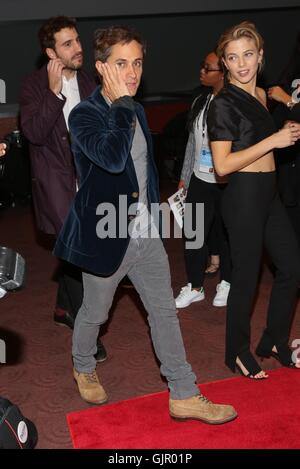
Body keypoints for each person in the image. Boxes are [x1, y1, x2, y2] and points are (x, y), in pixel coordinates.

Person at [54, 25, 237, 424]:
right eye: (121, 64)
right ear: (101, 68)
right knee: (95, 312)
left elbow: (144, 172)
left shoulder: (135, 109)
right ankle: (83, 364)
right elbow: (114, 158)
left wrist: (153, 215)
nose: (132, 73)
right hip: (106, 233)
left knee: (163, 312)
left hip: (144, 231)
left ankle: (184, 392)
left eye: (137, 63)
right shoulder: (85, 115)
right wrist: (120, 105)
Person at [207, 21, 300, 379]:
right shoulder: (222, 105)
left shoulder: (261, 95)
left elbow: (270, 139)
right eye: (233, 57)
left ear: (260, 56)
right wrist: (273, 142)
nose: (242, 63)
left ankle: (274, 340)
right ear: (225, 64)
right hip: (243, 196)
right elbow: (222, 166)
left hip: (270, 193)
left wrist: (287, 133)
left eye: (248, 54)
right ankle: (238, 351)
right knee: (246, 278)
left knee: (292, 267)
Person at [19, 16, 107, 362]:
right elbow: (34, 134)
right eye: (68, 44)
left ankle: (62, 309)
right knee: (80, 255)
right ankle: (89, 332)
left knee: (80, 254)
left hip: (91, 182)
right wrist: (54, 94)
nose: (78, 48)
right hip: (57, 187)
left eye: (77, 40)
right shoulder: (33, 86)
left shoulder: (90, 80)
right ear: (51, 52)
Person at [175, 51, 231, 309]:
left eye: (207, 68)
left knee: (228, 235)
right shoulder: (201, 101)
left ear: (222, 73)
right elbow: (192, 143)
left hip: (228, 181)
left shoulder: (235, 104)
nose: (201, 72)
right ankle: (195, 286)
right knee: (194, 234)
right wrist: (185, 177)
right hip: (199, 178)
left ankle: (227, 283)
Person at [267, 38, 300, 247]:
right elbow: (275, 121)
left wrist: (287, 100)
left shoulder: (285, 92)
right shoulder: (292, 75)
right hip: (290, 164)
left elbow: (285, 101)